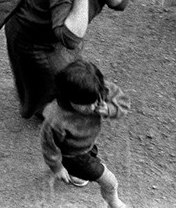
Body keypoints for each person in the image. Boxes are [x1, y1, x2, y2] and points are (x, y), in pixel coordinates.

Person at [41, 59, 129, 208]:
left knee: (91, 155)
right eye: (85, 104)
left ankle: (75, 174)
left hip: (87, 144)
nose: (93, 107)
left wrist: (109, 109)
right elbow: (48, 144)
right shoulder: (56, 119)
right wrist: (56, 167)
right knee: (109, 181)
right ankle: (114, 203)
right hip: (74, 157)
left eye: (95, 101)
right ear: (68, 96)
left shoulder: (94, 88)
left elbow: (123, 103)